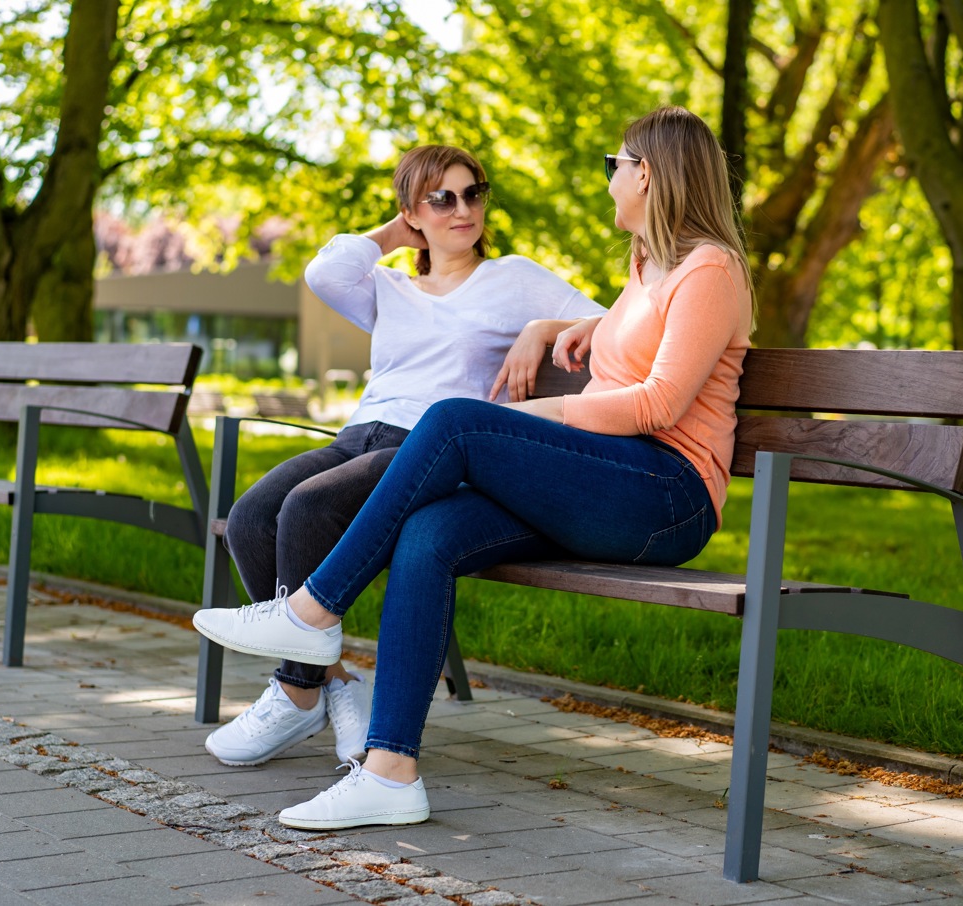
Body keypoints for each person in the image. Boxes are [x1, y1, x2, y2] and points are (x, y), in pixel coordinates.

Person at [194, 105, 754, 830]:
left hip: (665, 495)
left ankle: (312, 611)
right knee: (429, 533)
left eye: (613, 165)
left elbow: (657, 403)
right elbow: (633, 340)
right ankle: (389, 772)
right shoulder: (648, 266)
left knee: (455, 419)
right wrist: (559, 327)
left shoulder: (711, 267)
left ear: (645, 175)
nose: (609, 179)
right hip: (601, 480)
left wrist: (535, 415)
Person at [205, 145, 604, 769]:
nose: (462, 209)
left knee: (307, 509)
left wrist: (540, 329)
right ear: (412, 212)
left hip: (431, 450)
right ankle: (330, 682)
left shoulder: (514, 278)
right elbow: (324, 273)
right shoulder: (388, 287)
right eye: (440, 198)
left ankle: (297, 693)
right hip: (356, 437)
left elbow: (609, 323)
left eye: (472, 193)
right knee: (251, 517)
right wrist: (397, 231)